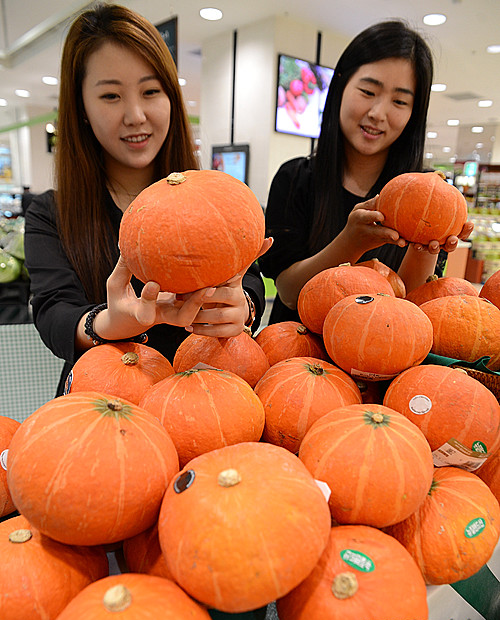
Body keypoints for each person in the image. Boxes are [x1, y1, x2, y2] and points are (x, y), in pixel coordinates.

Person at [24, 3, 269, 396]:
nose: (136, 115)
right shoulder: (50, 213)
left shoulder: (211, 198)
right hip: (102, 401)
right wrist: (107, 323)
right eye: (110, 96)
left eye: (151, 91)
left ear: (171, 97)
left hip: (207, 396)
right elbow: (53, 313)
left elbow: (248, 275)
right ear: (82, 109)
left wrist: (243, 307)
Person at [259, 20, 473, 324]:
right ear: (341, 86)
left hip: (384, 356)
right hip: (296, 353)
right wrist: (352, 242)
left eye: (399, 101)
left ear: (415, 113)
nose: (378, 113)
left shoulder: (429, 193)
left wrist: (427, 246)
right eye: (368, 91)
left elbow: (408, 305)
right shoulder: (295, 178)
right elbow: (289, 292)